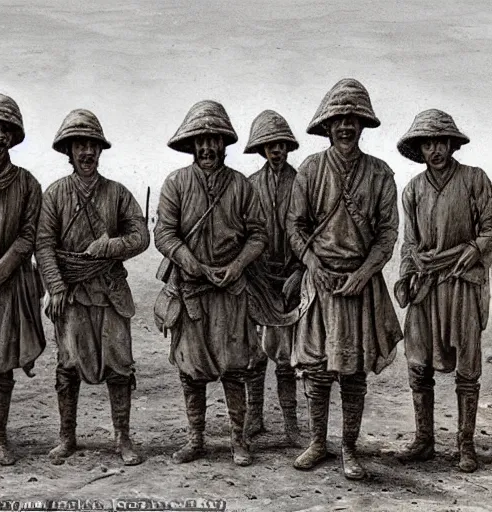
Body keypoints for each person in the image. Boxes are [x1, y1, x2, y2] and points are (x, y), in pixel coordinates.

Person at [287, 78, 403, 480]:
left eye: (353, 119)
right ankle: (318, 442)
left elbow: (388, 233)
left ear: (363, 124)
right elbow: (295, 224)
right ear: (327, 125)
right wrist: (312, 264)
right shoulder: (311, 170)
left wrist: (364, 272)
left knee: (352, 373)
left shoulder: (380, 173)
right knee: (317, 370)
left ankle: (349, 448)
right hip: (319, 284)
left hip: (360, 284)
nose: (346, 126)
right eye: (338, 119)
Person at [154, 100, 268, 466]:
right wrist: (195, 265)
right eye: (200, 141)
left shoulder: (240, 186)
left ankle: (239, 440)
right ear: (191, 144)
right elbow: (165, 234)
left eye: (213, 140)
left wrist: (236, 266)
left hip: (231, 292)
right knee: (191, 370)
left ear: (223, 143)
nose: (207, 148)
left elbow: (258, 235)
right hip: (190, 290)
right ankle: (196, 439)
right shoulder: (175, 183)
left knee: (234, 368)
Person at [36, 109, 150, 466]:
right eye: (79, 146)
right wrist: (55, 287)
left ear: (101, 151)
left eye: (92, 146)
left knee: (120, 366)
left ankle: (123, 439)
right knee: (68, 366)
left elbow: (141, 236)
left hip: (111, 291)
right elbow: (43, 244)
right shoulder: (55, 194)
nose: (86, 152)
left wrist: (109, 247)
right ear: (69, 152)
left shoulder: (117, 193)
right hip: (70, 294)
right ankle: (66, 437)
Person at [395, 109, 492, 473]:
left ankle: (465, 445)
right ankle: (424, 440)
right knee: (418, 363)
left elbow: (490, 228)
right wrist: (407, 276)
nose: (434, 149)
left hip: (463, 283)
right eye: (427, 143)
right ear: (419, 148)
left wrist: (475, 250)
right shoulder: (413, 190)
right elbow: (409, 244)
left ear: (452, 143)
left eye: (440, 141)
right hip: (426, 286)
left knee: (467, 366)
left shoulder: (475, 179)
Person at [0, 93, 45, 465]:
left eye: (6, 129)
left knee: (2, 365)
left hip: (8, 283)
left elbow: (28, 236)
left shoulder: (27, 183)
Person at [243, 110, 303, 446]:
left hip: (290, 280)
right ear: (262, 149)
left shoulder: (302, 181)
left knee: (285, 356)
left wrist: (299, 270)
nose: (275, 150)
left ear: (288, 147)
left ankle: (291, 425)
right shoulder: (250, 185)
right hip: (258, 278)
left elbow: (311, 230)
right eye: (269, 145)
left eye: (280, 144)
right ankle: (254, 417)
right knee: (255, 354)